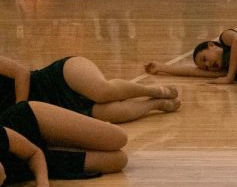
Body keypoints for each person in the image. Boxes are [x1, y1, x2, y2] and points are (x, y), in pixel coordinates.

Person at [0, 101, 129, 187]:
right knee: (119, 160)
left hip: (31, 123)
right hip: (25, 166)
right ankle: (78, 137)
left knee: (118, 138)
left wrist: (43, 185)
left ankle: (90, 128)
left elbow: (34, 153)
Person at [0, 54, 180, 124]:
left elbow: (21, 72)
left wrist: (20, 106)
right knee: (109, 115)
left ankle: (153, 91)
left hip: (56, 77)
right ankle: (156, 104)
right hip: (55, 108)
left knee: (102, 91)